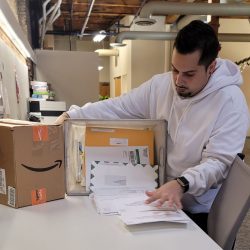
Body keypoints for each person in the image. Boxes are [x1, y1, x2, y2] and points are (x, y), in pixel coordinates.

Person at [55, 20, 249, 232]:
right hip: (159, 196)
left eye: (189, 74)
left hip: (199, 207)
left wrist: (181, 184)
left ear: (211, 67)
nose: (178, 81)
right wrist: (72, 115)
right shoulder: (161, 85)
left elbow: (218, 163)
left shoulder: (230, 101)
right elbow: (118, 107)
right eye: (175, 70)